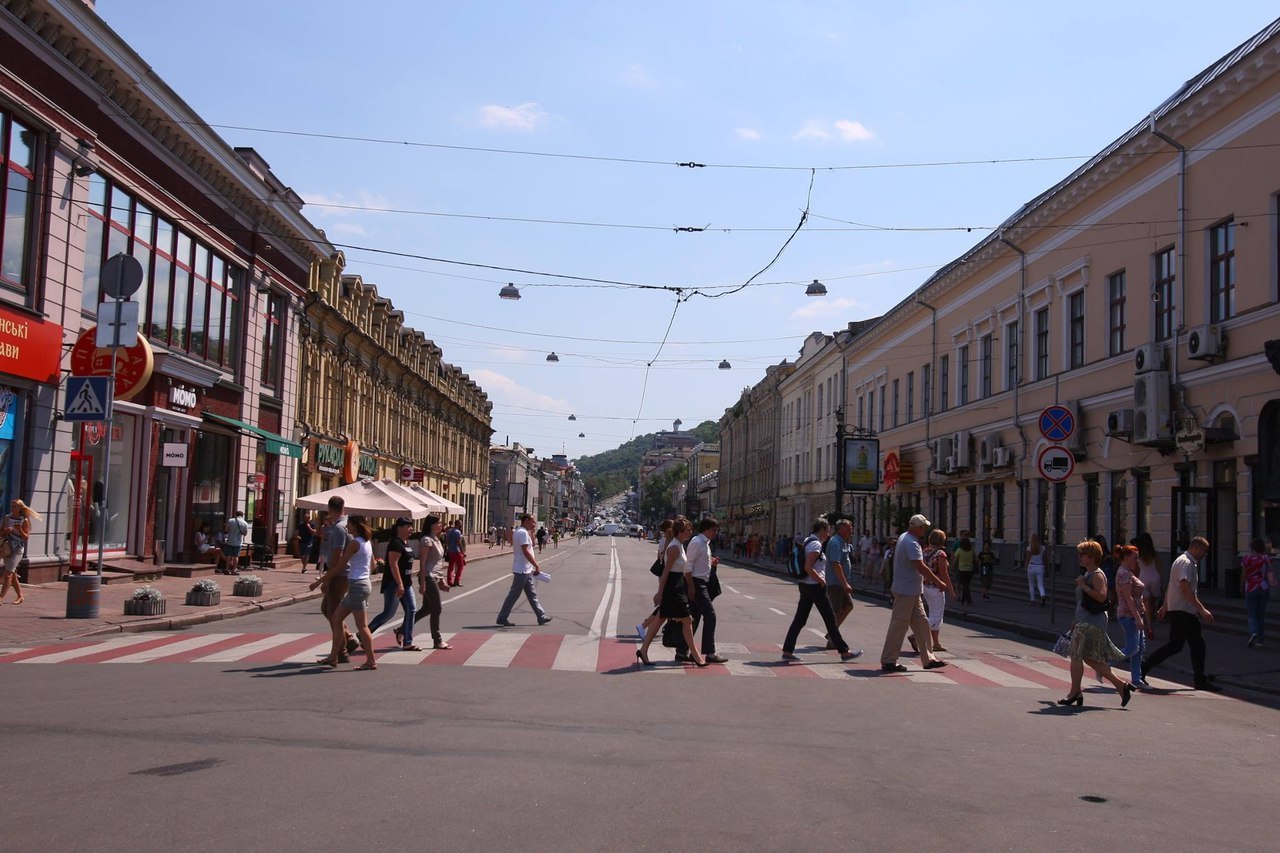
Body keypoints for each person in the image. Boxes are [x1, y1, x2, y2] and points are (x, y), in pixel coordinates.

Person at [1058, 540, 1133, 708]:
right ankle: (1122, 685)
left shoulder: (1097, 575)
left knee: (1076, 655)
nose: (1079, 558)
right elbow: (1082, 602)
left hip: (1091, 622)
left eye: (1082, 555)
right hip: (1085, 620)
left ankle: (1074, 692)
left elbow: (1102, 597)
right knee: (1089, 658)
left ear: (1091, 557)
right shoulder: (1087, 574)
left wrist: (1084, 586)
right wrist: (1075, 620)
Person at [1142, 537, 1220, 692]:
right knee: (1176, 645)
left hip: (1182, 609)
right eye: (1204, 551)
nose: (1205, 554)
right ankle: (1144, 666)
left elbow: (1172, 585)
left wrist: (1165, 606)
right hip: (1183, 610)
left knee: (1197, 644)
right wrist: (1202, 609)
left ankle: (1200, 679)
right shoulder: (1186, 563)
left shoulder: (1181, 561)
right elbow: (1184, 588)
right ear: (1196, 548)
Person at [781, 519, 861, 663]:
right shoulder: (816, 544)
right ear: (823, 529)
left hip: (806, 585)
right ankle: (844, 651)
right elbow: (808, 566)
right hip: (814, 587)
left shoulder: (808, 541)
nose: (829, 533)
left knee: (800, 620)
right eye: (828, 529)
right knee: (830, 619)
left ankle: (787, 650)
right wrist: (820, 580)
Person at [879, 514, 948, 673]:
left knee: (922, 624)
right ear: (918, 527)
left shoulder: (904, 537)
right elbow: (920, 566)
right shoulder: (911, 543)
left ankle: (928, 658)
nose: (925, 530)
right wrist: (938, 582)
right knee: (899, 625)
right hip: (906, 591)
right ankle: (889, 660)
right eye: (924, 527)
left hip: (911, 591)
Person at [311, 515, 378, 670]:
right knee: (337, 618)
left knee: (361, 625)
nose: (347, 526)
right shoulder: (366, 542)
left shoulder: (355, 543)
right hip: (363, 584)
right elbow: (373, 566)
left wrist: (318, 581)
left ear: (355, 525)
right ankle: (334, 657)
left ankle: (370, 661)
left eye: (349, 523)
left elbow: (339, 566)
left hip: (357, 586)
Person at [636, 516, 706, 667]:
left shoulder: (679, 545)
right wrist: (660, 592)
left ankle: (643, 650)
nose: (691, 532)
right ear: (680, 532)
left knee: (661, 619)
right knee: (687, 621)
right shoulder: (674, 547)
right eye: (688, 530)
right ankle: (695, 654)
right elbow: (666, 571)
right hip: (672, 588)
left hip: (676, 586)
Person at [674, 517, 727, 664]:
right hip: (696, 584)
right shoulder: (697, 542)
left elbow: (698, 563)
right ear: (707, 529)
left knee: (694, 618)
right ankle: (710, 652)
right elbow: (688, 566)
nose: (716, 532)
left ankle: (682, 651)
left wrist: (711, 563)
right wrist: (691, 587)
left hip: (701, 582)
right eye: (714, 529)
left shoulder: (705, 543)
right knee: (710, 616)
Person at [312, 496, 357, 662]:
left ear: (330, 509)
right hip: (345, 573)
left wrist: (327, 579)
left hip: (339, 575)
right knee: (326, 608)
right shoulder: (346, 524)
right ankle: (348, 638)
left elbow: (337, 554)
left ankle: (341, 651)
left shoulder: (338, 528)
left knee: (333, 614)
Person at [366, 518, 419, 651]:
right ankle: (365, 633)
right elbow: (393, 564)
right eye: (408, 526)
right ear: (399, 528)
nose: (411, 529)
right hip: (394, 584)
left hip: (407, 583)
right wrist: (399, 584)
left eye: (411, 526)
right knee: (389, 613)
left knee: (411, 609)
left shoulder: (405, 543)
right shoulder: (395, 543)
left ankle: (407, 641)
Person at [496, 513, 553, 627]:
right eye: (532, 521)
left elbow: (532, 545)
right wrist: (536, 565)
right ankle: (502, 617)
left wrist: (531, 531)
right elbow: (525, 551)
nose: (534, 523)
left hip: (525, 569)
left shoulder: (523, 532)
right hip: (521, 570)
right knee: (513, 595)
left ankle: (541, 616)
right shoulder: (522, 533)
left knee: (532, 595)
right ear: (526, 520)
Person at [410, 516, 452, 650]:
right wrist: (422, 583)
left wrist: (442, 580)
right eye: (438, 523)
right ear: (431, 525)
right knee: (437, 608)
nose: (441, 525)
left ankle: (402, 629)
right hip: (427, 576)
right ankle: (437, 640)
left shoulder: (437, 539)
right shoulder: (426, 540)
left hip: (434, 576)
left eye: (441, 522)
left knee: (427, 608)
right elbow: (423, 563)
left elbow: (438, 564)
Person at [1114, 545, 1149, 689]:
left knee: (1139, 648)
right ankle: (1105, 662)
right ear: (1127, 558)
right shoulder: (1124, 573)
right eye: (1135, 557)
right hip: (1128, 615)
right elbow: (1127, 598)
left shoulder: (1129, 572)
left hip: (1135, 614)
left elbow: (1134, 596)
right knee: (1132, 648)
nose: (1137, 560)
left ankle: (1136, 678)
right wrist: (1138, 617)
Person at [636, 519, 673, 640]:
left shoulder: (668, 541)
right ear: (668, 529)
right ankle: (644, 626)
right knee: (666, 607)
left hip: (669, 576)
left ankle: (648, 626)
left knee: (668, 607)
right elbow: (663, 558)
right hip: (667, 577)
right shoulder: (666, 541)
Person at [823, 519, 857, 646]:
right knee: (835, 611)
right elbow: (836, 564)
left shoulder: (843, 542)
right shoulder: (836, 543)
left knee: (848, 606)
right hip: (835, 583)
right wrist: (845, 583)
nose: (851, 531)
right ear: (840, 529)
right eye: (848, 528)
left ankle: (831, 633)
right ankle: (833, 638)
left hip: (841, 583)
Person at [921, 529, 956, 652]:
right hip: (936, 587)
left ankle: (936, 643)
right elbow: (944, 573)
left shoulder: (925, 551)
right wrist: (951, 590)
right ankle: (917, 635)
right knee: (936, 615)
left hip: (925, 585)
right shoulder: (941, 554)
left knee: (933, 613)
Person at [0, 499, 40, 605]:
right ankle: (20, 596)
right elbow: (1, 533)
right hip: (7, 547)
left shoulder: (24, 521)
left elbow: (26, 537)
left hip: (18, 549)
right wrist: (5, 531)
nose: (12, 509)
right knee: (12, 573)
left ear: (20, 508)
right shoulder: (7, 518)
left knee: (8, 574)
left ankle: (0, 597)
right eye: (11, 506)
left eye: (15, 507)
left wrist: (19, 529)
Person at [1241, 538, 1275, 648]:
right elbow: (1269, 572)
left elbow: (1244, 575)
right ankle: (1261, 640)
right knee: (1261, 614)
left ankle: (1253, 632)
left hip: (1251, 587)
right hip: (1264, 588)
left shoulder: (1246, 559)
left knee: (1251, 613)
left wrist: (1241, 586)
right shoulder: (1266, 558)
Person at [1135, 532, 1163, 640]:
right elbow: (1159, 568)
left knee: (1146, 604)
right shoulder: (1154, 554)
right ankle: (1152, 617)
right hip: (1155, 577)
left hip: (1143, 578)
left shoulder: (1138, 554)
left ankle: (1149, 627)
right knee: (1153, 602)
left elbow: (1136, 569)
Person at [222, 509, 249, 575]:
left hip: (230, 541)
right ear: (242, 515)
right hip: (238, 542)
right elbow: (245, 534)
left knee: (228, 555)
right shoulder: (245, 523)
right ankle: (234, 569)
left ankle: (227, 569)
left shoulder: (231, 521)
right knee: (236, 556)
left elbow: (226, 530)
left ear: (235, 515)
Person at [953, 536, 976, 605]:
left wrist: (953, 567)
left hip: (962, 570)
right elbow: (975, 559)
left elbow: (955, 560)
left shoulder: (959, 550)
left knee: (964, 585)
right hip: (970, 570)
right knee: (967, 584)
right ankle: (964, 599)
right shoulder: (972, 550)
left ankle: (968, 600)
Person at [1025, 533, 1046, 606]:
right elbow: (1044, 559)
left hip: (1031, 566)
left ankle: (1032, 600)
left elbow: (1027, 558)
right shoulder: (1042, 548)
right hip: (1040, 566)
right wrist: (1046, 568)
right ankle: (1042, 595)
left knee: (1031, 585)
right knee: (1040, 584)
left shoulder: (1029, 548)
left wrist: (1025, 566)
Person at [445, 520, 466, 587]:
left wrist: (448, 548)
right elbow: (458, 542)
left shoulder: (450, 531)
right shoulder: (458, 532)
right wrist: (463, 552)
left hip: (450, 551)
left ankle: (449, 581)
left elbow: (447, 541)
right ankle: (457, 581)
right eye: (461, 524)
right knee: (460, 566)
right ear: (459, 524)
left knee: (450, 567)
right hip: (456, 551)